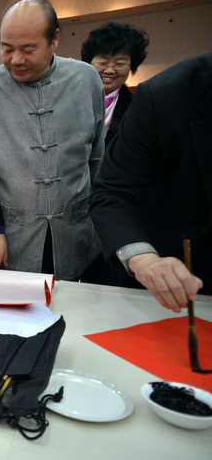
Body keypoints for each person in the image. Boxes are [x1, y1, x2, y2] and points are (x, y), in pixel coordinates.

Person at [0, 0, 105, 281]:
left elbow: (97, 157)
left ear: (55, 39)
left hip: (77, 232)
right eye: (7, 48)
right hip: (9, 237)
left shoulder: (86, 80)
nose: (16, 60)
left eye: (28, 49)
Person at [89, 53, 211, 312]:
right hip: (171, 268)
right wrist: (143, 259)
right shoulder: (166, 95)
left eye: (120, 62)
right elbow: (112, 190)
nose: (110, 70)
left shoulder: (131, 100)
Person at [81, 21, 150, 146]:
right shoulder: (70, 98)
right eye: (103, 63)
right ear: (88, 62)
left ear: (131, 66)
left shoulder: (137, 107)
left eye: (120, 64)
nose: (109, 70)